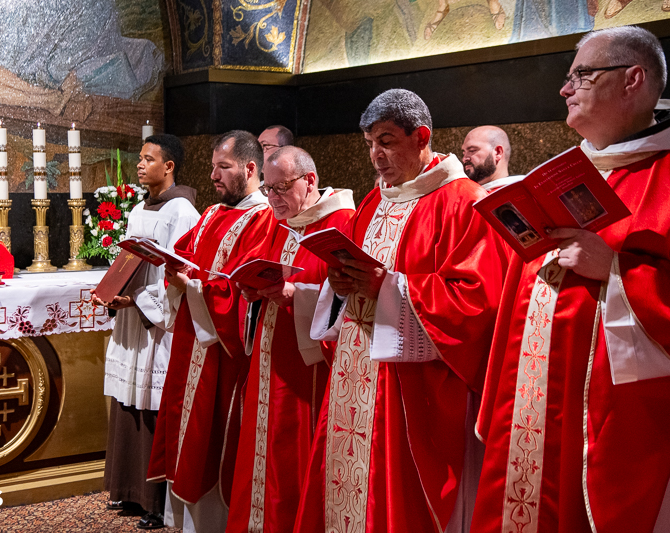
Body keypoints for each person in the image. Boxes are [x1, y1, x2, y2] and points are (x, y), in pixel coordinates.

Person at [472, 26, 670, 533]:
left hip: (615, 428)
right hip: (534, 411)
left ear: (633, 79)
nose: (565, 89)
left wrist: (617, 272)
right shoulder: (566, 173)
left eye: (580, 75)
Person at [294, 88, 508, 533]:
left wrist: (386, 287)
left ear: (422, 136)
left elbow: (476, 298)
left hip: (411, 386)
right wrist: (340, 283)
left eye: (387, 141)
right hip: (356, 370)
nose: (376, 155)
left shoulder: (460, 200)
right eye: (370, 143)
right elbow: (352, 264)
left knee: (394, 498)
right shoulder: (377, 198)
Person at [147, 130, 276, 533]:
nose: (214, 176)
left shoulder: (263, 219)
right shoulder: (214, 214)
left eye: (224, 167)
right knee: (185, 440)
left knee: (211, 443)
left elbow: (244, 289)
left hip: (221, 356)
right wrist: (170, 266)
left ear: (250, 169)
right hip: (190, 348)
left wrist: (195, 283)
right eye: (213, 167)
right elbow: (184, 254)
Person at [225, 147, 355, 533]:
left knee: (293, 459)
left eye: (280, 188)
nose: (273, 199)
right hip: (268, 360)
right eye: (267, 189)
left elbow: (349, 299)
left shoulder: (343, 221)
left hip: (308, 370)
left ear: (309, 181)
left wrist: (294, 296)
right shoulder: (276, 221)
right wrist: (252, 293)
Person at [92, 134, 200, 530]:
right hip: (132, 321)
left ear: (168, 167)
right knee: (127, 399)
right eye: (139, 158)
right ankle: (127, 489)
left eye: (147, 159)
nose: (139, 165)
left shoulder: (183, 212)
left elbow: (179, 273)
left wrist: (136, 300)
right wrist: (113, 290)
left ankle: (154, 501)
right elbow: (128, 261)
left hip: (157, 325)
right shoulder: (139, 208)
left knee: (151, 405)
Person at [461, 125, 523, 191]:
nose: (464, 159)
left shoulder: (520, 192)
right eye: (464, 153)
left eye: (472, 150)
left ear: (498, 152)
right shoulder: (464, 196)